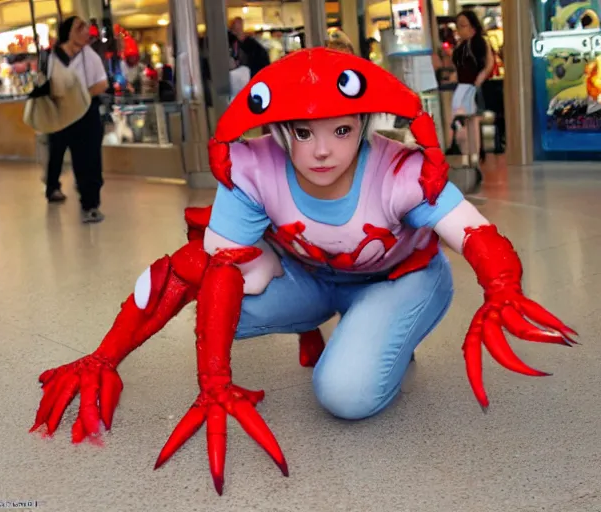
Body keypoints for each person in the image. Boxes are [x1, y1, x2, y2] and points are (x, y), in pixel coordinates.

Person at [29, 49, 576, 496]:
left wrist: (502, 288)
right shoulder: (252, 165)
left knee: (344, 394)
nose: (320, 152)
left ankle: (391, 326)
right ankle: (338, 325)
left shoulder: (399, 170)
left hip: (402, 277)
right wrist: (113, 358)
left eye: (340, 131)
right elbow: (198, 269)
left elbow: (473, 233)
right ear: (281, 128)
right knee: (221, 308)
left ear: (364, 122)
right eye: (303, 133)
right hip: (312, 278)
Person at [45, 16, 109, 223]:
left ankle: (91, 204)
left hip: (87, 112)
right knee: (67, 155)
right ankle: (58, 187)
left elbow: (101, 84)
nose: (85, 31)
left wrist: (80, 96)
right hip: (64, 113)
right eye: (79, 27)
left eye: (85, 27)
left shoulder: (89, 56)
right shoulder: (56, 57)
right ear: (68, 32)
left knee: (90, 158)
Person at [451, 10, 494, 167]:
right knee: (461, 120)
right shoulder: (460, 47)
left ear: (472, 27)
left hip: (472, 87)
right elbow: (458, 68)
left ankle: (473, 154)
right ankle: (466, 153)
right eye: (458, 26)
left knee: (472, 121)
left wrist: (480, 78)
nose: (460, 30)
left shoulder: (480, 43)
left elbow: (489, 63)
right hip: (462, 87)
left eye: (463, 26)